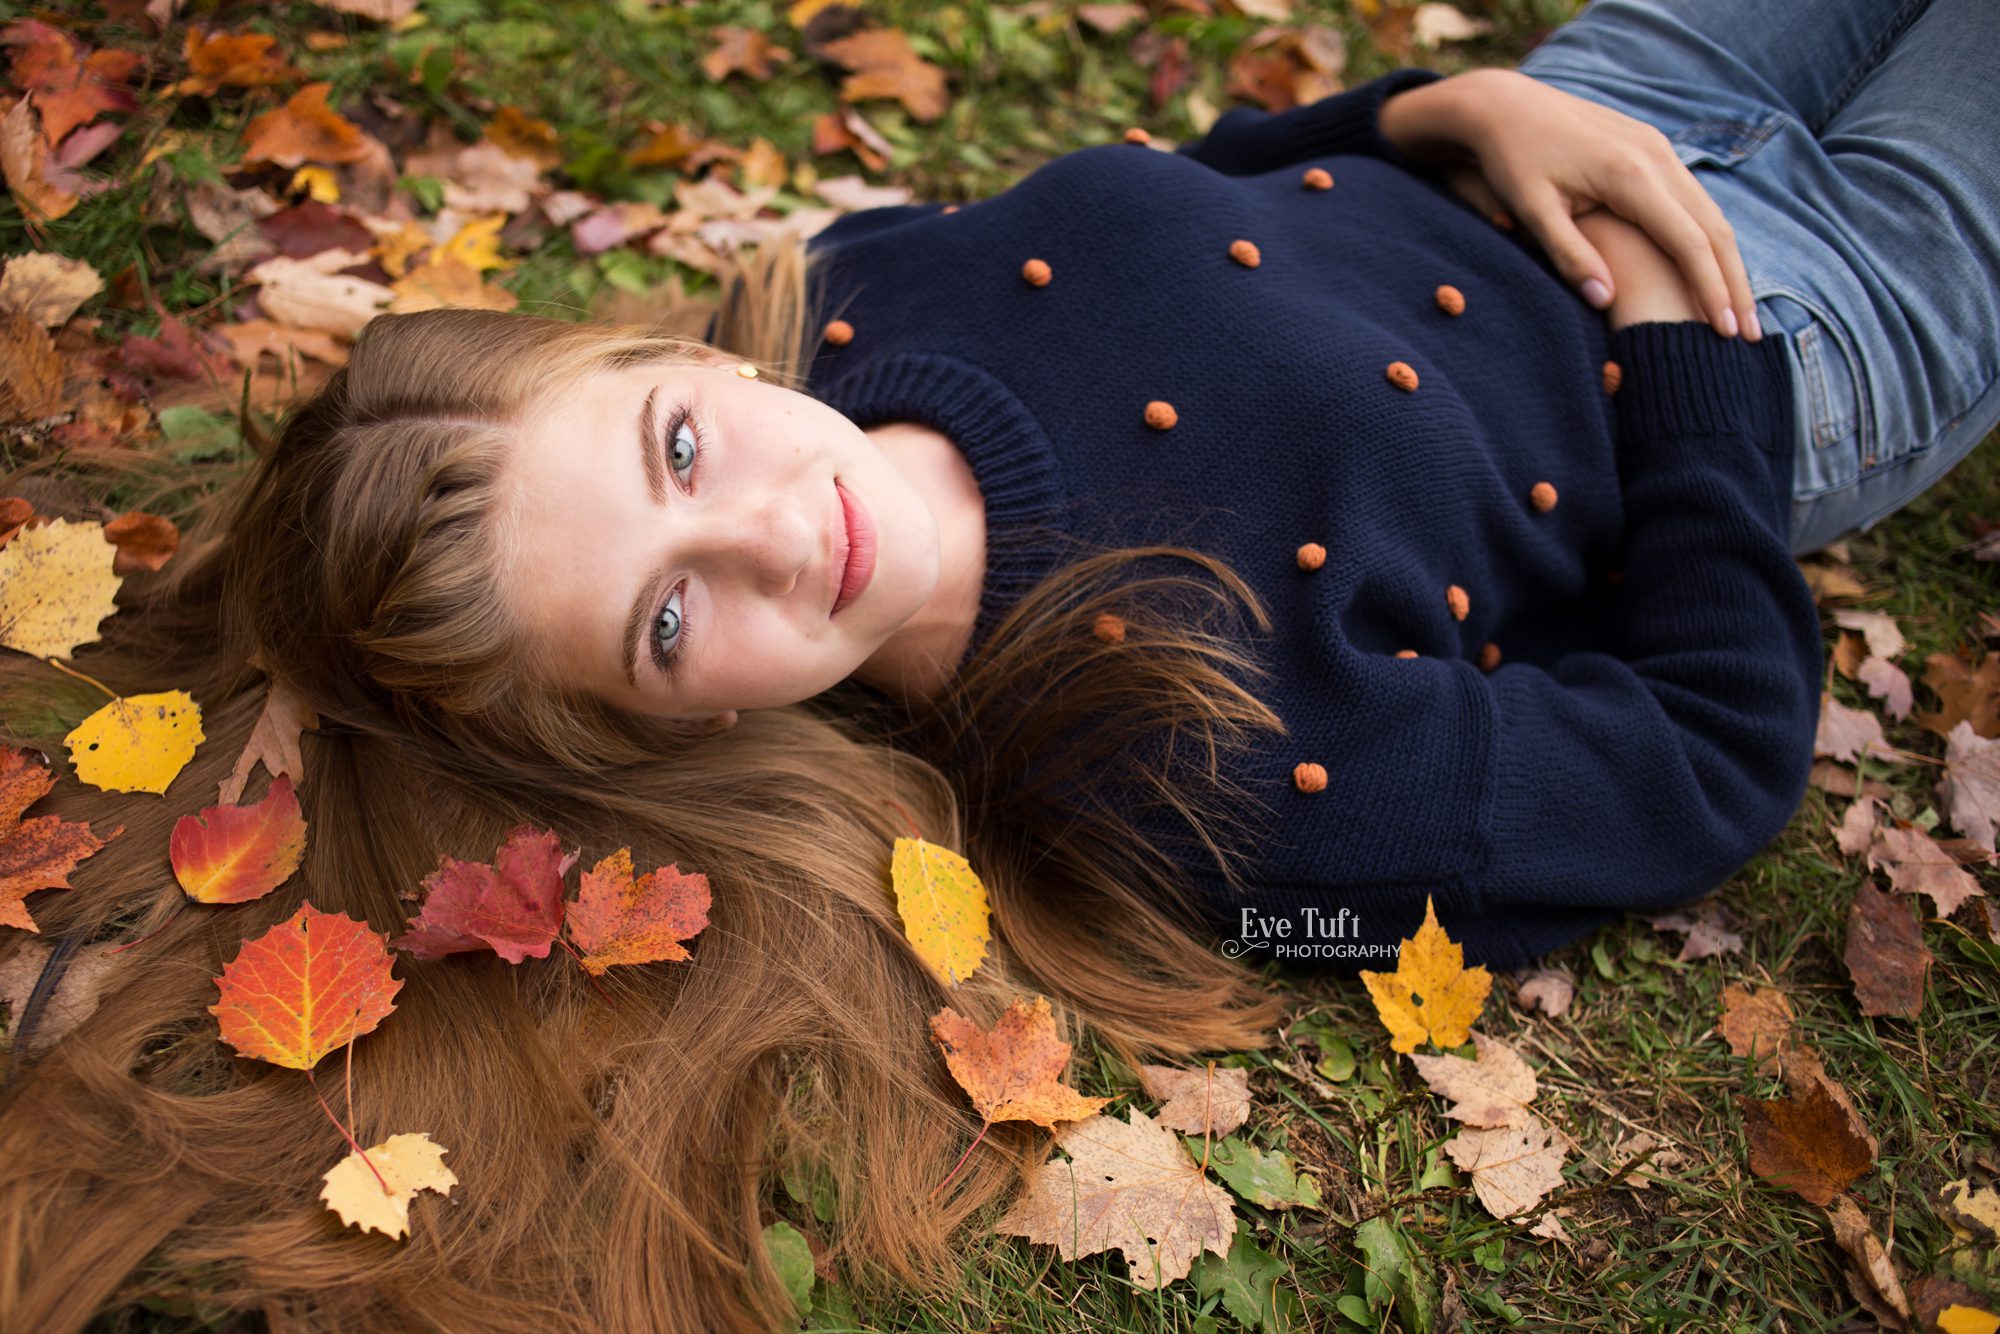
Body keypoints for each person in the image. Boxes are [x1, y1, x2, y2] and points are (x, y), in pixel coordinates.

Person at [2, 2, 1993, 1329]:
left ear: (680, 361)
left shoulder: (853, 297)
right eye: (675, 615)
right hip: (1770, 319)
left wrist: (1427, 107)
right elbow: (1707, 756)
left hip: (1565, 102)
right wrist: (1696, 380)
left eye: (679, 452)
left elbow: (1207, 200)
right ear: (658, 724)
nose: (777, 525)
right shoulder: (1180, 759)